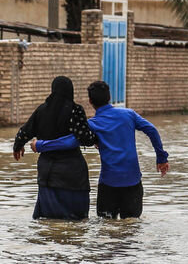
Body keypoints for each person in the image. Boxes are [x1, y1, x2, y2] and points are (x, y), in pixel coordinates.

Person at [38, 80, 170, 219]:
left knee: (106, 228)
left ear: (90, 101)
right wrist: (161, 158)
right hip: (133, 183)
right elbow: (151, 130)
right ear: (110, 97)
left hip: (109, 185)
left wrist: (41, 145)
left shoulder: (93, 124)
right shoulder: (128, 115)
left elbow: (70, 141)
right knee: (132, 229)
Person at [12, 76, 97, 220]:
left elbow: (24, 132)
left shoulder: (42, 110)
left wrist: (17, 146)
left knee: (48, 220)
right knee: (76, 222)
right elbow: (85, 139)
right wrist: (96, 138)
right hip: (72, 174)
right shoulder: (75, 110)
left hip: (48, 174)